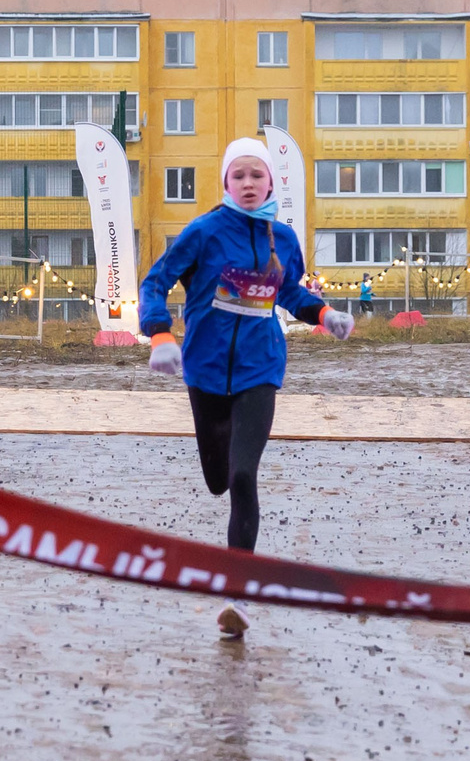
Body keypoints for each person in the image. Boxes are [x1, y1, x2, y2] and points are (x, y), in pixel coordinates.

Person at [140, 138, 352, 554]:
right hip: (205, 368)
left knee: (242, 476)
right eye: (239, 175)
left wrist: (326, 315)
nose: (249, 183)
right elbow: (154, 283)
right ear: (226, 182)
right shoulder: (203, 232)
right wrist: (160, 334)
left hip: (261, 368)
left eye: (257, 175)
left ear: (271, 182)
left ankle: (239, 581)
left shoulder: (285, 239)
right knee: (218, 480)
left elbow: (288, 292)